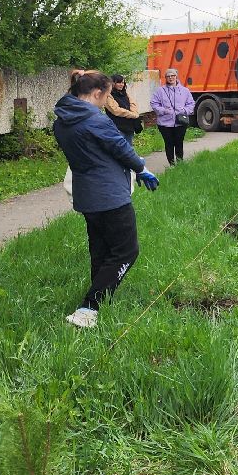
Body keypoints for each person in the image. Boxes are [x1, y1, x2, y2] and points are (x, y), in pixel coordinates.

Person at [53, 70, 159, 328]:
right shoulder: (94, 119)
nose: (107, 101)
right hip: (110, 195)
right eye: (107, 95)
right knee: (126, 251)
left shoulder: (62, 119)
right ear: (97, 93)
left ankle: (100, 300)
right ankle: (89, 307)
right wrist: (141, 168)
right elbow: (121, 147)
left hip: (86, 195)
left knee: (101, 249)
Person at [150, 68, 194, 164]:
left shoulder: (185, 90)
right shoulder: (160, 91)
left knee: (179, 143)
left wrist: (184, 110)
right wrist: (164, 110)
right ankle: (171, 164)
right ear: (165, 78)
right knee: (169, 144)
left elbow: (191, 104)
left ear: (176, 76)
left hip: (180, 122)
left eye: (172, 75)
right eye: (168, 76)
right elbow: (154, 103)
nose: (170, 78)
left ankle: (180, 163)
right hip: (165, 123)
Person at [105, 72, 143, 145]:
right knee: (120, 148)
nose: (121, 84)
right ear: (113, 83)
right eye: (119, 83)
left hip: (129, 126)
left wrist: (134, 113)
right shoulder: (108, 95)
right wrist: (132, 115)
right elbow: (115, 110)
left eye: (122, 82)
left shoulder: (125, 94)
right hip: (117, 126)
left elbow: (133, 104)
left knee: (129, 147)